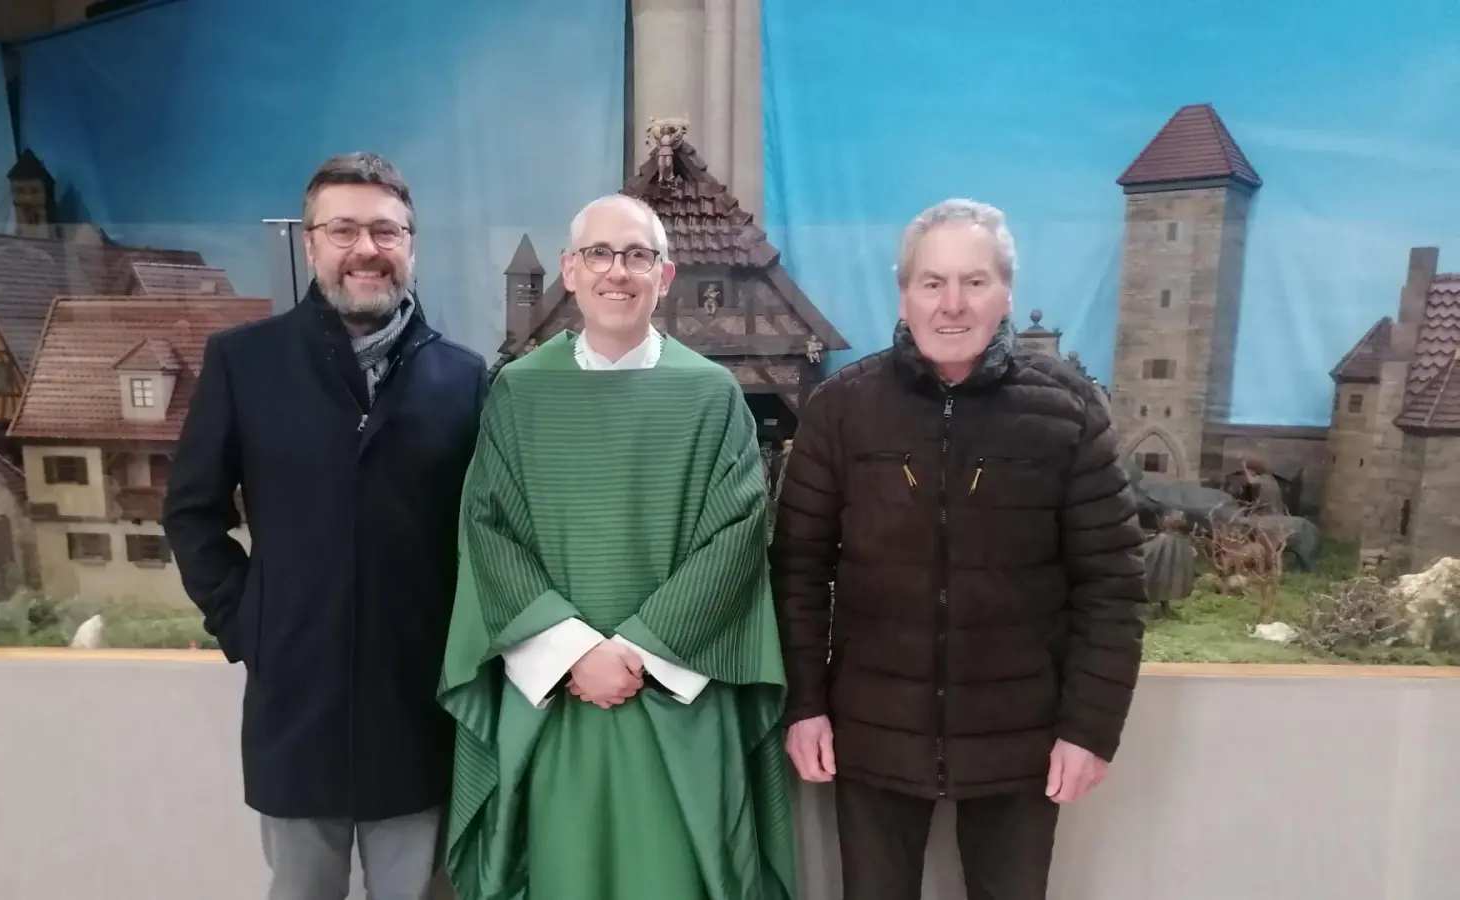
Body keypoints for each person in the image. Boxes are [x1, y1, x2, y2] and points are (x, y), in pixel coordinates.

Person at [770, 198, 1147, 900]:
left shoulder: (1069, 413)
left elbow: (1111, 589)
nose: (952, 305)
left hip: (1022, 741)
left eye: (974, 282)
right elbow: (798, 571)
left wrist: (1089, 730)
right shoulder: (842, 409)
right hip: (871, 733)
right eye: (932, 282)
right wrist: (805, 706)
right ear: (904, 293)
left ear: (1007, 292)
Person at [436, 194, 798, 900]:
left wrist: (634, 652)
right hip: (554, 701)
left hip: (675, 696)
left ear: (664, 277)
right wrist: (574, 651)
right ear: (569, 271)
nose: (618, 271)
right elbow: (487, 530)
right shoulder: (519, 393)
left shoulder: (710, 394)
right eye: (599, 254)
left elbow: (737, 534)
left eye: (638, 255)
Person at [162, 151, 489, 900]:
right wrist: (249, 623)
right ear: (310, 244)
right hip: (294, 703)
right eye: (343, 230)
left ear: (412, 245)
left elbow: (485, 536)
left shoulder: (464, 379)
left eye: (386, 230)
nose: (366, 249)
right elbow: (191, 512)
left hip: (419, 706)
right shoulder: (245, 362)